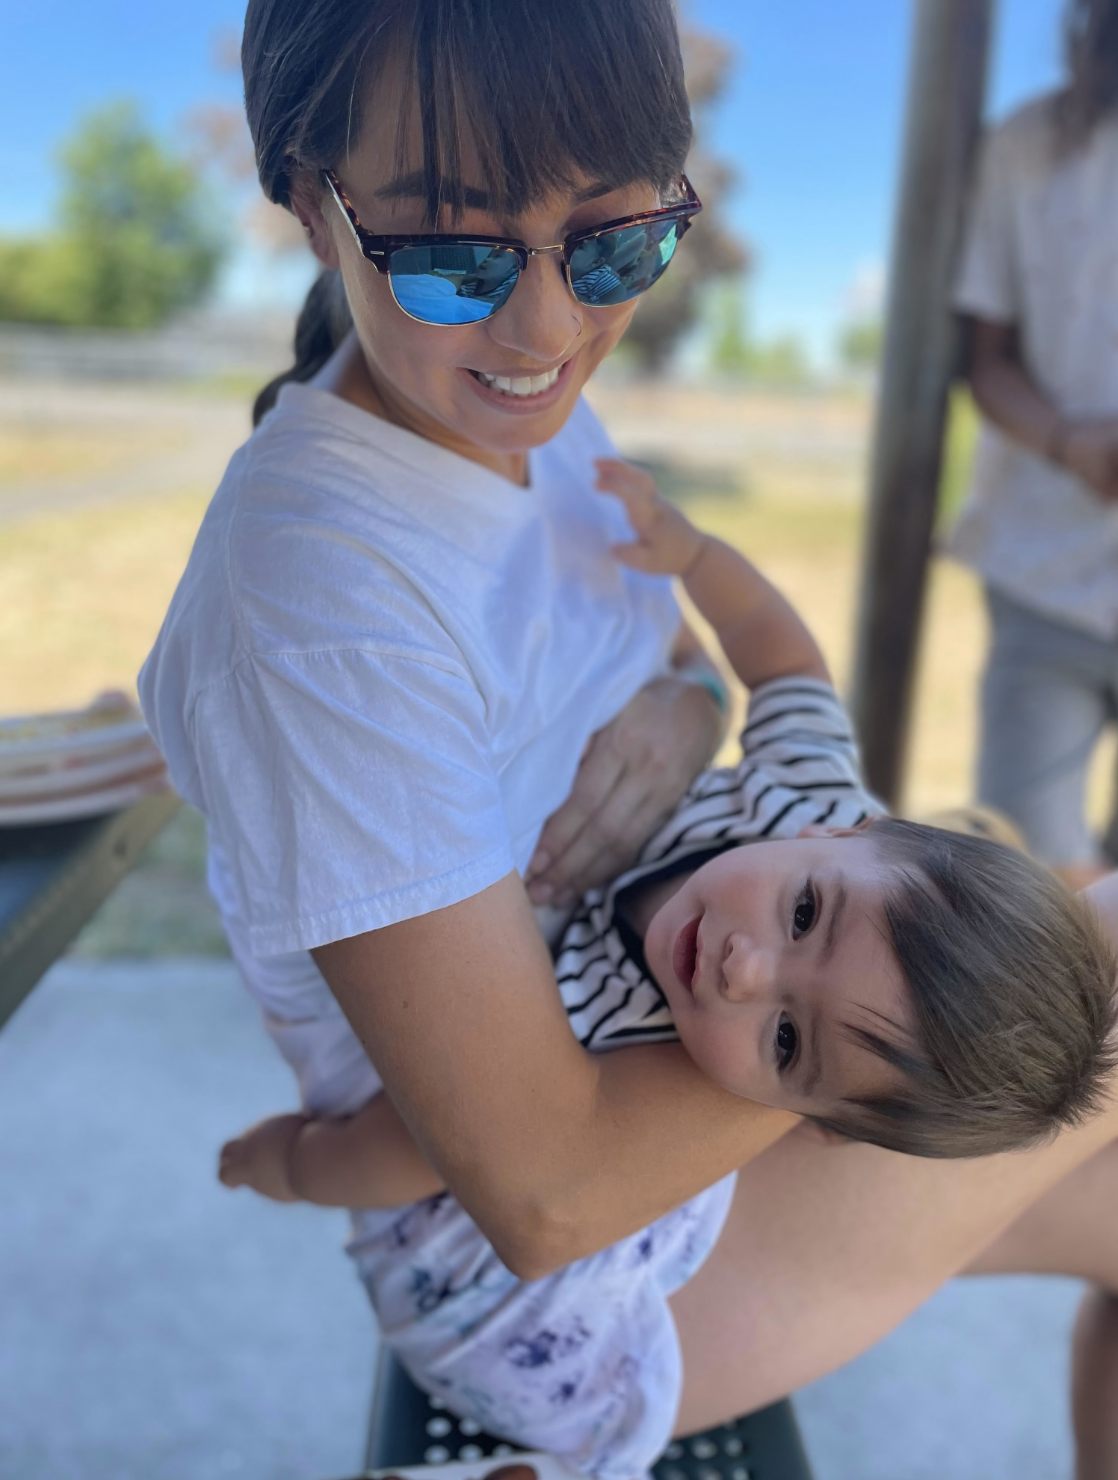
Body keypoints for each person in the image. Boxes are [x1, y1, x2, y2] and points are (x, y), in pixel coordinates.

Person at [140, 4, 1118, 1476]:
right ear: (303, 196)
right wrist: (867, 1031)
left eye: (611, 243)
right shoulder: (322, 602)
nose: (544, 330)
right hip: (551, 1275)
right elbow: (540, 1194)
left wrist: (686, 706)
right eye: (454, 251)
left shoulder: (525, 419)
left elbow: (668, 649)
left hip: (670, 1130)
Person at [219, 459, 1117, 1473]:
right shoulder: (795, 787)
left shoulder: (624, 1035)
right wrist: (695, 557)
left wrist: (291, 1163)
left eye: (785, 1039)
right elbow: (783, 663)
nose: (740, 970)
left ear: (804, 1123)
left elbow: (417, 1145)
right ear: (853, 822)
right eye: (804, 910)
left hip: (528, 1335)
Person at [951, 0, 1118, 890]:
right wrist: (1069, 439)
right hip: (1045, 574)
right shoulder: (1030, 145)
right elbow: (988, 361)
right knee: (1024, 886)